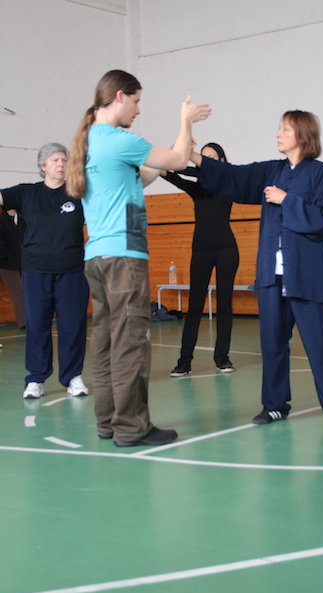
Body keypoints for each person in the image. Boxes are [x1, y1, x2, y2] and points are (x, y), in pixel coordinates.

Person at [66, 69, 211, 447]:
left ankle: (108, 423)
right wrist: (185, 121)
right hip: (124, 259)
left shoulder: (88, 143)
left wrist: (167, 155)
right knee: (131, 342)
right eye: (136, 100)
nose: (138, 109)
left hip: (97, 258)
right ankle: (132, 427)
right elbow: (178, 158)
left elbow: (140, 177)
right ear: (119, 96)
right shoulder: (119, 140)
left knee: (106, 344)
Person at [191, 110, 323, 429]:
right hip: (272, 277)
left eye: (285, 129)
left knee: (321, 344)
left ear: (303, 136)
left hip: (306, 276)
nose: (278, 134)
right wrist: (194, 157)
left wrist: (286, 200)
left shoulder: (319, 173)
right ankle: (275, 405)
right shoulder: (271, 171)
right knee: (272, 343)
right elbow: (234, 176)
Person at [0, 144, 89, 399]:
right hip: (35, 270)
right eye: (54, 160)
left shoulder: (79, 193)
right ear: (43, 166)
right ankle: (36, 379)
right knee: (37, 325)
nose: (60, 164)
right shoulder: (26, 192)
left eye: (64, 160)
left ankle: (73, 377)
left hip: (72, 271)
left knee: (73, 325)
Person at [160, 142, 239, 376]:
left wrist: (199, 166)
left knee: (224, 306)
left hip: (227, 250)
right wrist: (174, 154)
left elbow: (221, 173)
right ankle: (184, 362)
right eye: (203, 157)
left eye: (212, 157)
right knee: (194, 307)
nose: (206, 161)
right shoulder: (197, 188)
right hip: (201, 251)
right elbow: (170, 174)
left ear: (222, 161)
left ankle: (222, 358)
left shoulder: (229, 184)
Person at [0, 208, 26, 328]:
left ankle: (32, 320)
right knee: (18, 291)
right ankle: (24, 322)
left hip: (24, 262)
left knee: (27, 291)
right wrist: (8, 257)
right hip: (7, 265)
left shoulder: (22, 220)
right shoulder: (1, 220)